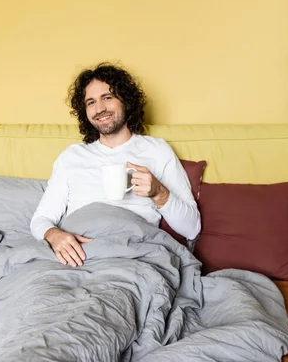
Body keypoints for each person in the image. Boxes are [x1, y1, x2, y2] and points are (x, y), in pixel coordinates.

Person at [30, 62, 201, 267]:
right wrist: (53, 234)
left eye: (107, 98)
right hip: (76, 259)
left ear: (125, 101)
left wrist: (159, 193)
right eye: (91, 102)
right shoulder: (71, 157)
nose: (100, 109)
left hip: (131, 255)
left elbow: (192, 228)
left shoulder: (157, 151)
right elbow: (40, 219)